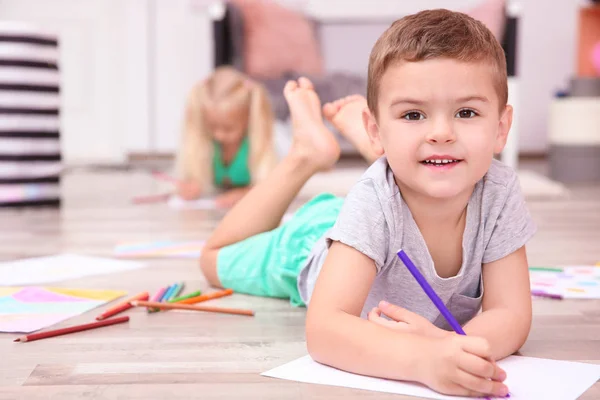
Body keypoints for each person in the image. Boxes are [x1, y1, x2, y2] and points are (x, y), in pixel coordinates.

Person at [200, 9, 536, 398]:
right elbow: (324, 330)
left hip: (377, 213)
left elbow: (511, 314)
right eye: (414, 114)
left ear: (501, 128)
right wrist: (422, 358)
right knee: (213, 258)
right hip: (309, 244)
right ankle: (305, 155)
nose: (442, 133)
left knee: (404, 170)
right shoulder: (373, 202)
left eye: (466, 112)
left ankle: (390, 150)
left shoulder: (500, 190)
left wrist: (456, 347)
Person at [175, 66, 278, 208]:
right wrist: (192, 186)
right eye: (212, 126)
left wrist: (244, 194)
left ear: (248, 119)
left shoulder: (258, 145)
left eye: (229, 129)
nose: (219, 135)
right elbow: (194, 180)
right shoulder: (205, 145)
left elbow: (273, 189)